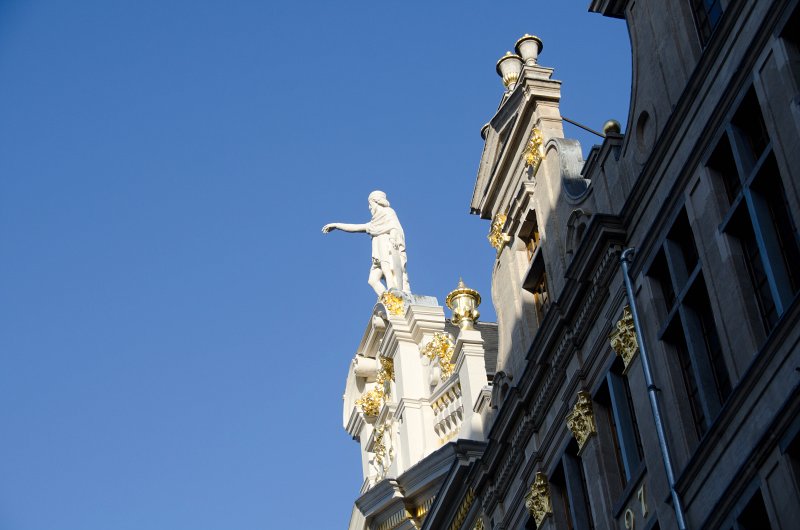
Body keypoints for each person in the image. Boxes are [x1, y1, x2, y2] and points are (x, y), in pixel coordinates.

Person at [322, 190, 411, 297]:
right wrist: (336, 225)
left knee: (386, 267)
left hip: (386, 243)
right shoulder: (373, 223)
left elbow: (395, 227)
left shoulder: (388, 212)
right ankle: (387, 299)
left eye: (370, 204)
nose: (369, 207)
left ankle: (392, 289)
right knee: (372, 280)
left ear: (376, 201)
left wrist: (392, 238)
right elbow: (355, 227)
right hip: (377, 252)